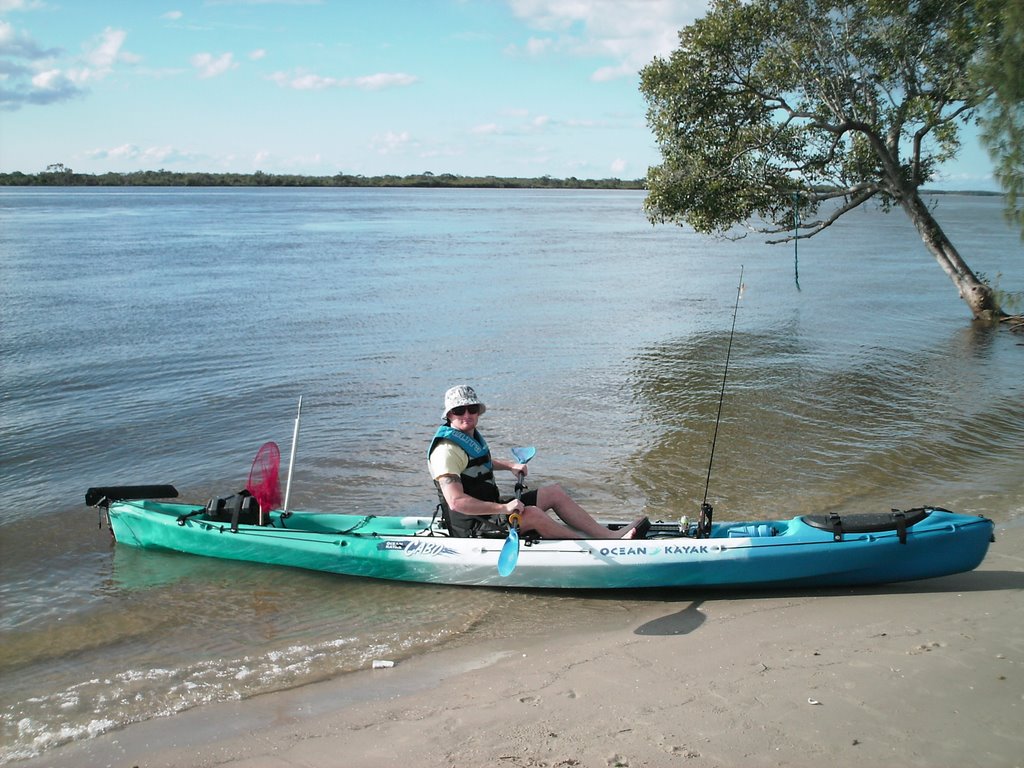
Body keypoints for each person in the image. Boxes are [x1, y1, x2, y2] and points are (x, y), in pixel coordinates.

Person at [428, 385, 649, 540]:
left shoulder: (467, 438)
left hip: (491, 510)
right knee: (532, 514)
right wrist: (505, 508)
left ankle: (607, 535)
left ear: (478, 412)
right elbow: (456, 502)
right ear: (449, 415)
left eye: (472, 409)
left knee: (554, 492)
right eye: (459, 410)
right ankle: (591, 547)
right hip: (472, 526)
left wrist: (510, 466)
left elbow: (475, 464)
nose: (466, 414)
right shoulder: (445, 451)